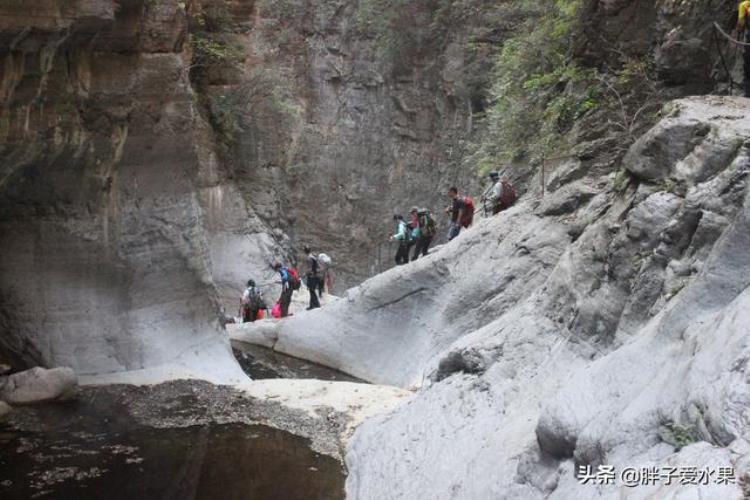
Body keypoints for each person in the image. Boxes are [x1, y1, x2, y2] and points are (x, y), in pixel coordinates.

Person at [303, 245, 321, 310]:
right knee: (312, 290)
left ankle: (312, 305)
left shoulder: (309, 258)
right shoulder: (313, 257)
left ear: (305, 251)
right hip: (316, 275)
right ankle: (316, 304)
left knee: (311, 290)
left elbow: (310, 269)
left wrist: (304, 274)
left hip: (312, 276)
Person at [739, 0, 750, 97]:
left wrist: (739, 30)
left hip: (749, 37)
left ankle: (748, 93)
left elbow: (741, 23)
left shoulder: (744, 5)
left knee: (747, 66)